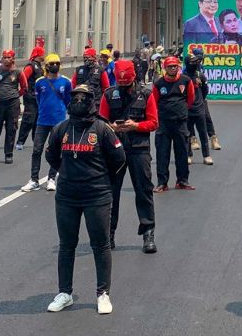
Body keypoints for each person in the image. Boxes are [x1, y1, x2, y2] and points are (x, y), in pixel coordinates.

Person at [45, 85, 126, 315]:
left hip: (97, 195)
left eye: (84, 97)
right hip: (67, 196)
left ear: (91, 101)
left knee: (100, 245)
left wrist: (102, 180)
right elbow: (51, 155)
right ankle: (65, 293)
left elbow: (119, 159)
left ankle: (103, 293)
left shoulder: (102, 129)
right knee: (66, 245)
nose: (79, 100)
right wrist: (68, 173)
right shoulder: (61, 128)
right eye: (75, 97)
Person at [100, 59, 159, 253]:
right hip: (114, 149)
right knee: (110, 193)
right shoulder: (109, 95)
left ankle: (148, 233)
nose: (124, 86)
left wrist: (136, 126)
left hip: (139, 148)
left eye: (127, 83)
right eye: (121, 83)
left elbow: (153, 122)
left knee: (144, 191)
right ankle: (109, 234)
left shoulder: (146, 94)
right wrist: (112, 128)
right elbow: (99, 124)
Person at [22, 54, 72, 193]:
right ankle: (34, 180)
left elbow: (69, 100)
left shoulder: (66, 82)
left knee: (56, 151)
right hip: (42, 121)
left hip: (59, 122)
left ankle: (51, 179)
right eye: (52, 63)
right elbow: (39, 100)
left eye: (57, 63)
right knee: (37, 150)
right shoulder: (40, 82)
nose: (55, 65)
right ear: (47, 66)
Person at [153, 56, 195, 191]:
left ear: (178, 67)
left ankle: (182, 181)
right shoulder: (159, 83)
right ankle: (162, 183)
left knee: (182, 152)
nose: (173, 68)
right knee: (162, 153)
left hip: (180, 123)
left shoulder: (186, 81)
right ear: (165, 68)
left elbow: (190, 99)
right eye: (170, 66)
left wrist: (180, 111)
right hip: (164, 123)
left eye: (175, 66)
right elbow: (154, 102)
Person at [184, 47, 213, 166]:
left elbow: (205, 90)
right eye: (193, 62)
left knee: (202, 132)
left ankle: (206, 155)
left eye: (196, 62)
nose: (195, 64)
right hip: (187, 109)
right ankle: (188, 155)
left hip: (199, 108)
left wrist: (200, 99)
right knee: (187, 134)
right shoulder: (183, 77)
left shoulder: (200, 76)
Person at [16, 46, 46, 151]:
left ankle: (36, 141)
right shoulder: (31, 66)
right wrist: (25, 91)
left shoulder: (39, 67)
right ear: (38, 54)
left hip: (38, 98)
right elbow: (23, 78)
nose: (44, 55)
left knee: (38, 120)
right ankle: (20, 141)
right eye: (43, 53)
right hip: (30, 97)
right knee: (28, 119)